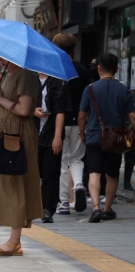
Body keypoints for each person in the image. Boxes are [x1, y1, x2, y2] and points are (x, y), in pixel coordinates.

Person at [0, 57, 42, 256]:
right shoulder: (7, 75)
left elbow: (24, 110)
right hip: (4, 133)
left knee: (15, 184)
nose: (1, 58)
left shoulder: (26, 75)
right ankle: (13, 240)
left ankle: (14, 241)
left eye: (6, 54)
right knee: (6, 183)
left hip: (17, 136)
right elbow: (0, 108)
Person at [78, 53, 135, 223]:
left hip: (95, 136)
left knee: (94, 172)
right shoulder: (124, 90)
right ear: (117, 69)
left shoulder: (90, 89)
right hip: (115, 139)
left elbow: (81, 116)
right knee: (112, 175)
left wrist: (83, 134)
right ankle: (107, 209)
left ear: (99, 69)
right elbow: (132, 116)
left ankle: (95, 208)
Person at [52, 33, 92, 215]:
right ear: (73, 48)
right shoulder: (82, 71)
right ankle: (78, 184)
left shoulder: (53, 69)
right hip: (78, 121)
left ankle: (63, 203)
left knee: (61, 163)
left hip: (57, 123)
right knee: (76, 159)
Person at [35, 72, 71, 223]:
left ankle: (47, 210)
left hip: (51, 133)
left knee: (51, 173)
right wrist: (32, 111)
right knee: (31, 173)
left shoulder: (59, 82)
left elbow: (60, 112)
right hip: (32, 133)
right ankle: (29, 207)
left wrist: (57, 137)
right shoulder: (29, 79)